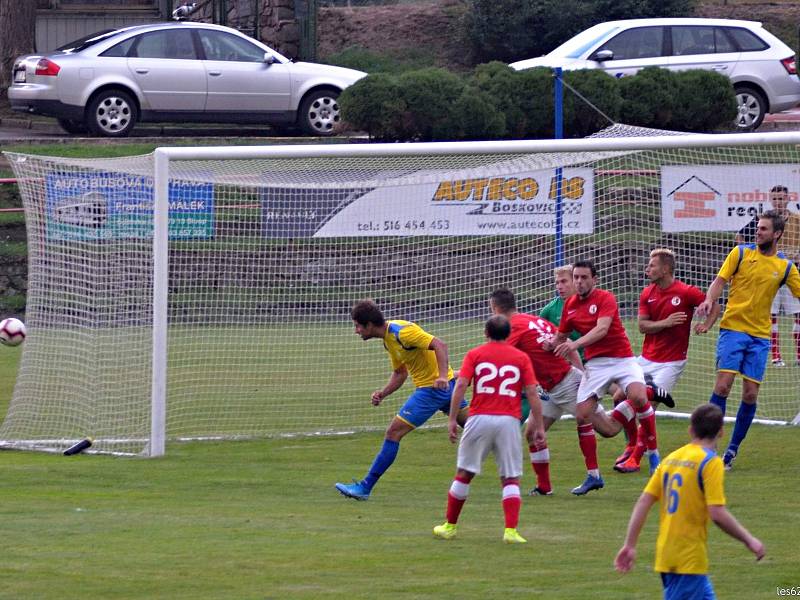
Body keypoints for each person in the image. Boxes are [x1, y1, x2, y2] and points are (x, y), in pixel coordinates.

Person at [614, 403, 765, 599]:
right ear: (721, 432)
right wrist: (749, 540)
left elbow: (644, 500)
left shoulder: (670, 459)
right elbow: (717, 513)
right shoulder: (711, 462)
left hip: (668, 554)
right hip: (687, 559)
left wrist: (630, 544)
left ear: (690, 430)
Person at [490, 287, 620, 496]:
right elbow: (567, 343)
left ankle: (640, 397)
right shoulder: (533, 320)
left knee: (609, 430)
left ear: (494, 308)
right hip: (551, 388)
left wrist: (466, 373)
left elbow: (496, 356)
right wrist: (581, 371)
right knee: (532, 433)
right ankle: (544, 487)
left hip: (566, 384)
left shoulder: (513, 327)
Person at [697, 210, 800, 469]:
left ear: (777, 234)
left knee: (751, 395)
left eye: (764, 229)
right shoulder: (740, 253)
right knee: (723, 386)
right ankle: (707, 446)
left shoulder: (785, 267)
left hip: (760, 337)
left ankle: (731, 451)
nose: (758, 231)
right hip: (733, 328)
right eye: (758, 227)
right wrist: (709, 299)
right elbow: (719, 281)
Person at [335, 300, 468, 500]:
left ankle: (364, 488)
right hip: (445, 388)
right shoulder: (389, 340)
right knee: (477, 426)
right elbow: (400, 373)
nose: (356, 331)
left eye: (357, 326)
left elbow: (439, 344)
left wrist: (441, 376)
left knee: (393, 433)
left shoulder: (402, 332)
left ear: (369, 325)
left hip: (432, 390)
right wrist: (383, 393)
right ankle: (511, 454)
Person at [551, 259, 662, 492]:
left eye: (583, 277)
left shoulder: (605, 298)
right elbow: (559, 337)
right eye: (576, 277)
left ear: (594, 279)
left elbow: (601, 330)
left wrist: (575, 344)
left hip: (622, 358)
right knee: (583, 415)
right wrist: (543, 344)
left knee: (639, 398)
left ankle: (654, 457)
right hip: (597, 365)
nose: (579, 282)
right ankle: (593, 476)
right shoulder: (570, 305)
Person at [432, 315, 544, 544]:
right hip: (509, 421)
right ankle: (510, 531)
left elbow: (461, 385)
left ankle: (450, 526)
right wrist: (540, 425)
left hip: (478, 419)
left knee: (464, 473)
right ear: (508, 334)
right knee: (510, 477)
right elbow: (532, 393)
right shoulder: (521, 357)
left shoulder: (475, 354)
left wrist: (453, 418)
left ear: (486, 333)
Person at [613, 249, 720, 474]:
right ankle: (632, 444)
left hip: (671, 363)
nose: (647, 269)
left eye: (651, 265)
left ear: (665, 268)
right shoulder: (647, 293)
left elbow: (715, 306)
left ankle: (636, 457)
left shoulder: (686, 291)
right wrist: (667, 322)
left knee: (648, 406)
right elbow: (642, 326)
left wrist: (706, 324)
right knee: (618, 396)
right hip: (646, 359)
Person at [736, 185, 800, 367]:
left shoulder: (797, 220)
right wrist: (752, 256)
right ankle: (776, 356)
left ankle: (799, 354)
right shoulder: (763, 220)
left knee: (798, 314)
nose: (778, 201)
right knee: (770, 316)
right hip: (769, 275)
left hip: (792, 272)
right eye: (775, 198)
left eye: (782, 198)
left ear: (789, 199)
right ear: (770, 200)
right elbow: (740, 237)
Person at [540, 265, 584, 361]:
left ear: (575, 281)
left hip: (593, 360)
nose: (559, 287)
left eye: (563, 281)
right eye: (557, 283)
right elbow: (540, 338)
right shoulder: (549, 310)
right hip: (567, 364)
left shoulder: (590, 302)